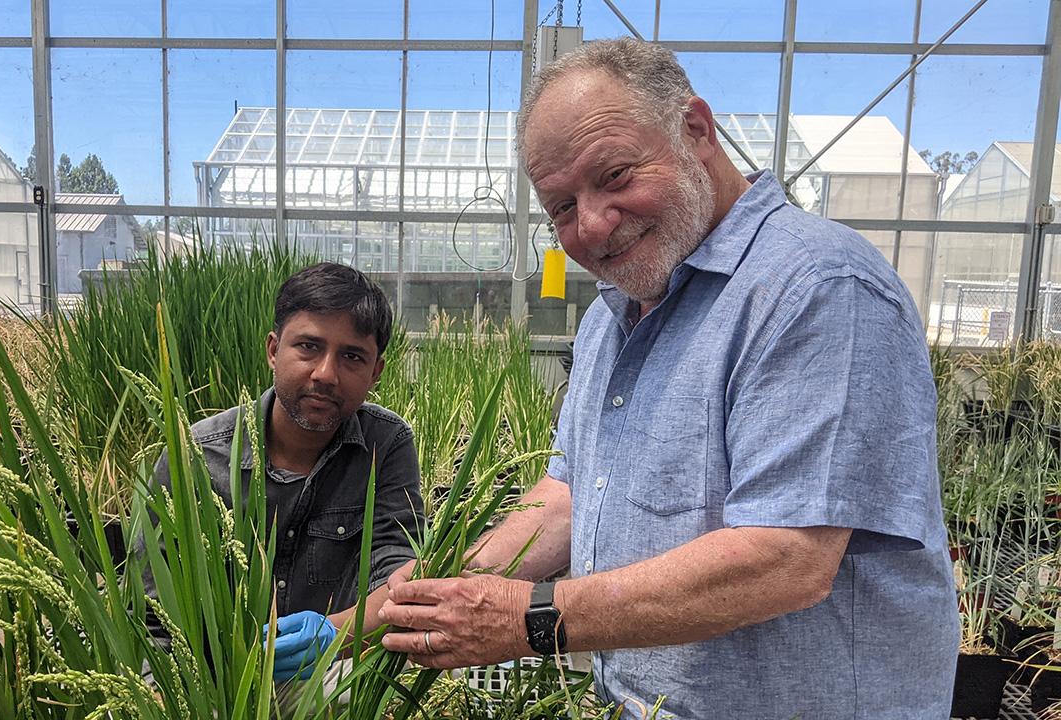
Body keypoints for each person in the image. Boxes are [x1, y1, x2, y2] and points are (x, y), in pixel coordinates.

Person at [378, 38, 958, 718]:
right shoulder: (610, 317)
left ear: (696, 130)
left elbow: (787, 558)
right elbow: (567, 497)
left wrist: (531, 618)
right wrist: (420, 598)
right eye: (561, 206)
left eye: (616, 174)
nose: (591, 224)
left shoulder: (816, 285)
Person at [144, 262, 424, 682]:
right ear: (274, 349)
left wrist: (336, 633)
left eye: (352, 357)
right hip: (215, 683)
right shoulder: (195, 456)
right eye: (309, 347)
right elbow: (153, 616)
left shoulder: (386, 444)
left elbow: (402, 576)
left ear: (375, 373)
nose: (326, 374)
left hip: (334, 674)